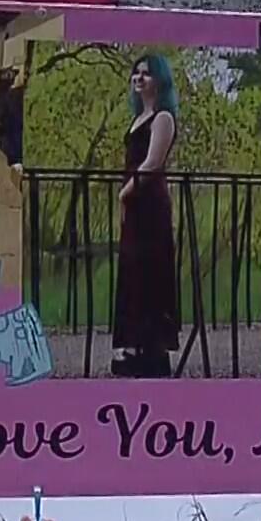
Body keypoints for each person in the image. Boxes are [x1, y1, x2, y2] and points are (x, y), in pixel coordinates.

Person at [112, 54, 181, 377]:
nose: (139, 78)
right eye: (136, 73)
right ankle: (132, 346)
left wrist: (125, 192)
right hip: (135, 203)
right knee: (132, 273)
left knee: (150, 272)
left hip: (150, 204)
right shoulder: (138, 117)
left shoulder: (163, 118)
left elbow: (153, 163)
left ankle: (152, 350)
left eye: (146, 74)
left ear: (159, 80)